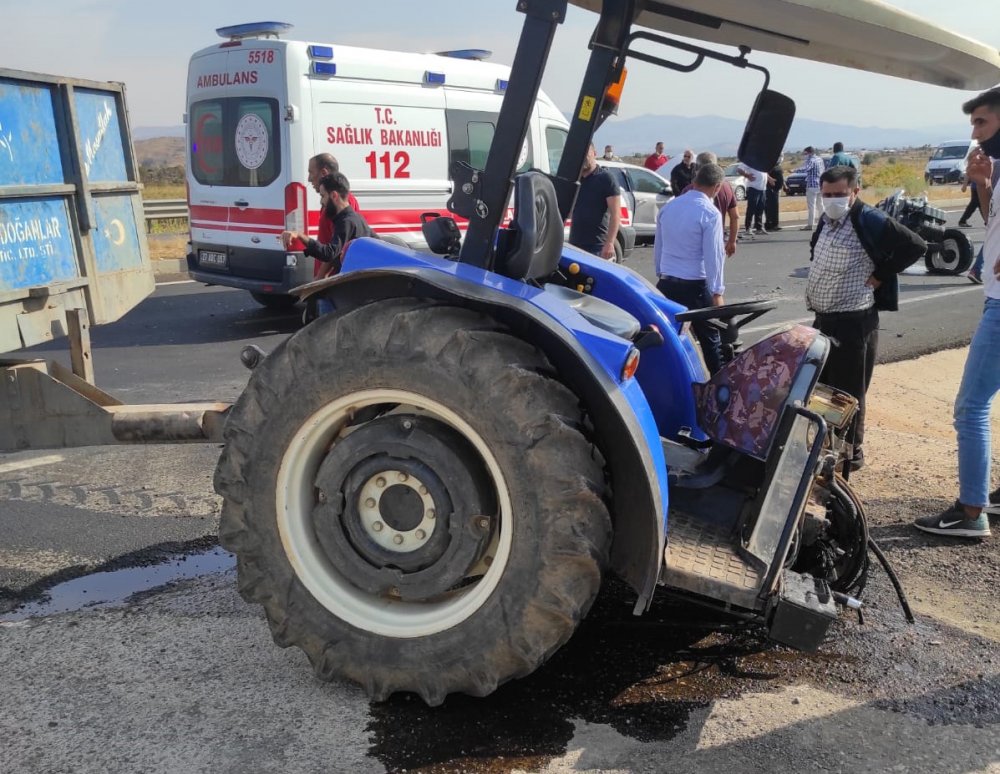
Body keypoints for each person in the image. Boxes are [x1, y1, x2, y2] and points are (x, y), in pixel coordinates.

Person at [914, 85, 1000, 538]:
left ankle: (971, 512)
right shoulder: (996, 168)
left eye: (981, 122)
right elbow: (993, 220)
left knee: (970, 408)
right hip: (995, 296)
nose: (975, 132)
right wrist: (983, 185)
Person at [807, 165, 926, 471]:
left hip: (853, 323)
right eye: (827, 194)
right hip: (825, 320)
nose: (833, 200)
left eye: (840, 194)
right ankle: (828, 443)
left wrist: (881, 274)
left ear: (855, 191)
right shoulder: (827, 220)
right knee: (822, 389)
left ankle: (849, 455)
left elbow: (915, 245)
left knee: (847, 393)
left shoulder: (867, 219)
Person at [655, 162, 727, 374]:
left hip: (667, 284)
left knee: (667, 339)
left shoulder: (669, 208)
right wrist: (717, 291)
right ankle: (718, 390)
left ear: (695, 182)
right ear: (718, 187)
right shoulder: (710, 213)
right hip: (695, 286)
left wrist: (661, 273)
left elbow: (659, 248)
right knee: (711, 341)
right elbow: (714, 256)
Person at [282, 172, 372, 314]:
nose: (322, 202)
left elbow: (329, 253)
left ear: (334, 196)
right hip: (353, 291)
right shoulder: (356, 219)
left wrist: (300, 236)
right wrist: (319, 278)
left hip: (346, 293)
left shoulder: (346, 222)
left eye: (323, 196)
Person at [306, 153, 362, 279]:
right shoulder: (332, 202)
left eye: (311, 172)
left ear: (324, 173)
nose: (309, 179)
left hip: (333, 280)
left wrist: (320, 278)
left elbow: (337, 247)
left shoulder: (339, 204)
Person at [569, 143, 622, 260]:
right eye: (580, 155)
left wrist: (610, 243)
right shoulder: (575, 180)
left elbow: (616, 214)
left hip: (598, 247)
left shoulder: (606, 179)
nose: (583, 158)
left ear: (594, 154)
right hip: (575, 244)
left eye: (586, 154)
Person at [684, 151, 739, 258]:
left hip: (694, 245)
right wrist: (732, 241)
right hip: (717, 241)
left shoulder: (690, 190)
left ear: (698, 168)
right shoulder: (726, 187)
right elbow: (735, 216)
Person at [793, 146, 826, 230]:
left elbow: (806, 169)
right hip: (820, 184)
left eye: (805, 153)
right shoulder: (820, 159)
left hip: (812, 185)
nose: (804, 155)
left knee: (812, 206)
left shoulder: (811, 160)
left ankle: (810, 225)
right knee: (821, 205)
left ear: (809, 153)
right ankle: (823, 223)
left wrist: (794, 170)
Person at [738, 163, 770, 235]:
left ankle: (759, 227)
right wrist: (747, 175)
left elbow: (764, 173)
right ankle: (748, 227)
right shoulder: (750, 161)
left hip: (762, 189)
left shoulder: (762, 162)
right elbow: (739, 169)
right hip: (753, 188)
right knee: (751, 208)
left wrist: (770, 179)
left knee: (760, 208)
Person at [765, 158, 785, 231]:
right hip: (771, 189)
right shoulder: (769, 166)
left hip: (776, 190)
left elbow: (781, 177)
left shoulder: (778, 166)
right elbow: (764, 173)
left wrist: (784, 186)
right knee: (770, 207)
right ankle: (769, 224)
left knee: (775, 207)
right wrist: (770, 179)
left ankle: (775, 224)